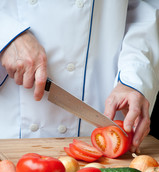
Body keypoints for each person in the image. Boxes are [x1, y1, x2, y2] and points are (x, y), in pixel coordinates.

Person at [0, 0, 159, 153]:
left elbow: (145, 7)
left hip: (103, 109)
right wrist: (6, 35)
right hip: (10, 121)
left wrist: (134, 78)